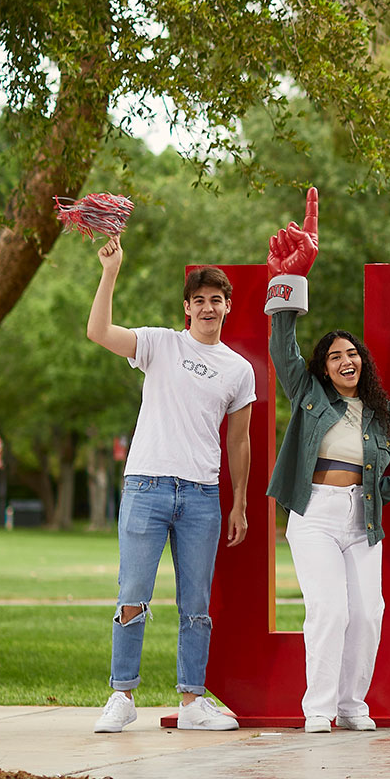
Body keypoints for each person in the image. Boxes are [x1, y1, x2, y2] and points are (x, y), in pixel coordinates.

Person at [262, 190, 390, 732]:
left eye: (352, 353)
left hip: (363, 519)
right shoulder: (309, 393)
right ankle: (318, 710)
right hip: (313, 515)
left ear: (363, 362)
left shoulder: (383, 412)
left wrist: (381, 493)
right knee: (329, 612)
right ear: (324, 367)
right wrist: (289, 284)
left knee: (368, 614)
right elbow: (282, 346)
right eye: (335, 356)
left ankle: (352, 705)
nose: (345, 360)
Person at [85, 238, 255, 734]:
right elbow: (97, 331)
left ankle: (191, 703)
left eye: (216, 299)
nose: (207, 307)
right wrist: (111, 271)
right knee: (133, 593)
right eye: (198, 300)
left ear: (227, 306)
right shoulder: (160, 343)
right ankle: (122, 695)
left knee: (196, 603)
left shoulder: (238, 370)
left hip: (202, 495)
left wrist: (239, 502)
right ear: (187, 308)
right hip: (146, 485)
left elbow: (239, 443)